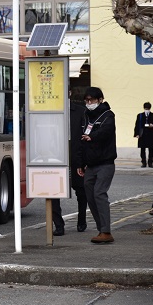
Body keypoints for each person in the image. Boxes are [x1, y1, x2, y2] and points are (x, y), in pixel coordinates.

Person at [77, 87, 116, 244]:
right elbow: (81, 141)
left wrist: (92, 137)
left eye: (91, 100)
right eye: (86, 100)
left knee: (99, 193)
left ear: (100, 99)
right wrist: (80, 163)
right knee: (90, 195)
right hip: (90, 165)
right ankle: (102, 229)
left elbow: (106, 132)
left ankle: (106, 231)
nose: (88, 103)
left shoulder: (107, 115)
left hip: (105, 163)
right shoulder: (86, 116)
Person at [52, 91, 88, 236]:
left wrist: (83, 161)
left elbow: (85, 137)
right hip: (54, 159)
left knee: (81, 191)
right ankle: (58, 225)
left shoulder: (81, 111)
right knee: (53, 193)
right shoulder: (50, 111)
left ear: (70, 93)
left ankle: (82, 221)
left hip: (76, 158)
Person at [133, 102, 153, 167]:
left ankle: (150, 163)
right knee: (142, 149)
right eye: (146, 109)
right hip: (142, 134)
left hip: (150, 134)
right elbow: (137, 125)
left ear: (150, 108)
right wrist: (136, 134)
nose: (147, 110)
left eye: (148, 109)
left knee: (151, 149)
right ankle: (143, 162)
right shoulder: (140, 115)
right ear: (144, 108)